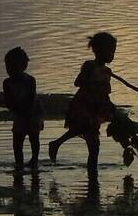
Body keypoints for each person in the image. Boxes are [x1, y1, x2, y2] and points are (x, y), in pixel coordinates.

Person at [48, 32, 116, 169]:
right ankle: (57, 143)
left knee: (94, 146)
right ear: (100, 51)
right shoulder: (89, 66)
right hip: (83, 105)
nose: (113, 55)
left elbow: (105, 93)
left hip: (96, 108)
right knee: (85, 126)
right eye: (111, 51)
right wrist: (94, 84)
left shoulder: (107, 71)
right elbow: (78, 82)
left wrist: (111, 107)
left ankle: (92, 175)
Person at [2, 47, 45, 169]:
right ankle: (19, 163)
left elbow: (31, 99)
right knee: (17, 141)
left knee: (34, 138)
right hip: (19, 113)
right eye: (8, 66)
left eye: (13, 66)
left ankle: (34, 160)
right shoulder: (7, 83)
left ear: (23, 66)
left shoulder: (30, 80)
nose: (10, 70)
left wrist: (27, 112)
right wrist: (14, 110)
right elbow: (8, 100)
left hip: (33, 113)